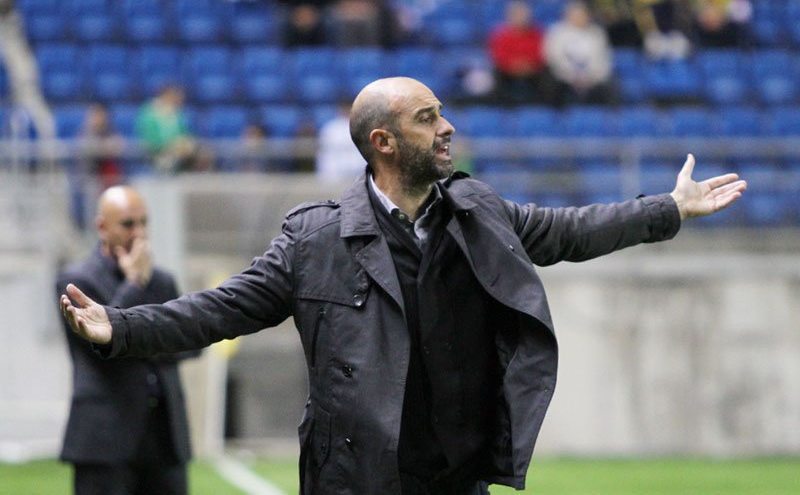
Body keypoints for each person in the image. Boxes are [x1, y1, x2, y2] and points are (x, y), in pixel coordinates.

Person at [61, 77, 747, 495]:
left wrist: (668, 208)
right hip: (355, 481)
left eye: (441, 111)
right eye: (427, 118)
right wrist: (122, 327)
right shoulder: (314, 238)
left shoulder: (480, 210)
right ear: (383, 142)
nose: (446, 126)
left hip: (456, 476)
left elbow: (569, 230)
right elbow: (219, 310)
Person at [56, 186, 195, 495]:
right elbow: (102, 345)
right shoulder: (76, 280)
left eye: (144, 222)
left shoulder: (161, 280)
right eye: (128, 224)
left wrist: (147, 336)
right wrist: (134, 283)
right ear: (102, 227)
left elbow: (189, 342)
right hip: (104, 438)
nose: (140, 233)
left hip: (163, 434)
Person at [544, 0, 617, 106]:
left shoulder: (597, 33)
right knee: (551, 83)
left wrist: (590, 76)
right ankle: (555, 117)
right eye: (576, 15)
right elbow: (554, 58)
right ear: (568, 16)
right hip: (565, 76)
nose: (580, 18)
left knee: (611, 85)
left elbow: (603, 60)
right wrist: (573, 75)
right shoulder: (557, 33)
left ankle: (611, 119)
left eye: (583, 15)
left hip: (592, 77)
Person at [487, 0, 549, 104]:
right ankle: (502, 106)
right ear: (510, 16)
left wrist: (528, 65)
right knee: (496, 74)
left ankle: (542, 106)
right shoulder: (501, 35)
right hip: (508, 71)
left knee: (548, 75)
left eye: (523, 15)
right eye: (517, 15)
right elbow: (498, 55)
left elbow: (542, 53)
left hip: (533, 70)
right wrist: (514, 65)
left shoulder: (537, 34)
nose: (521, 18)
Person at [316, 101, 365, 183]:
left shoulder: (361, 127)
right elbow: (324, 154)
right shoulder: (330, 128)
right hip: (334, 175)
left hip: (357, 173)